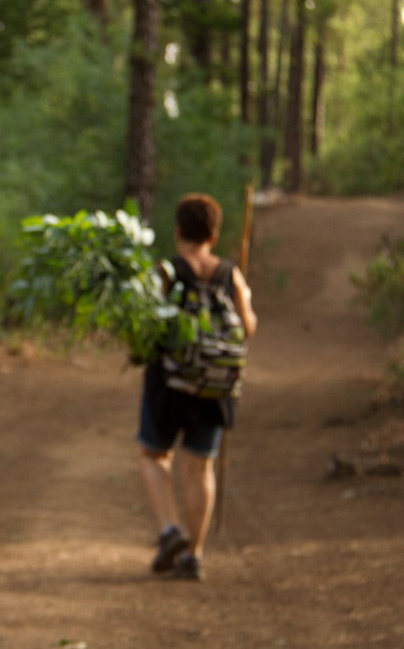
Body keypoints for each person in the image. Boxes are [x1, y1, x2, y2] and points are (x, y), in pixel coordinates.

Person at [136, 193, 257, 581]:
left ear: (178, 231)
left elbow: (146, 324)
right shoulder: (230, 274)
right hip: (216, 388)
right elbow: (247, 327)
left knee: (154, 454)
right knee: (200, 465)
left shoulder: (166, 271)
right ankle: (194, 556)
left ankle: (170, 529)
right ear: (213, 234)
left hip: (169, 384)